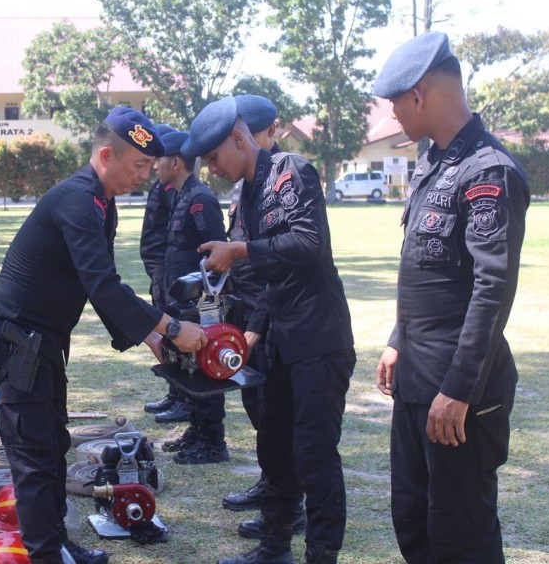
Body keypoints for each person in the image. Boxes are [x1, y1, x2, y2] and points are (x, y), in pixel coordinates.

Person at [0, 107, 208, 564]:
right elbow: (102, 283)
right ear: (105, 154)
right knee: (36, 459)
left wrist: (149, 337)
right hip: (15, 343)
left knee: (53, 446)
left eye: (149, 166)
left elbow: (100, 282)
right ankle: (46, 555)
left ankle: (56, 545)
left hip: (40, 345)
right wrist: (172, 327)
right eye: (139, 165)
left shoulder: (101, 200)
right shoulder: (78, 200)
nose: (147, 175)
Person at [373, 32, 529, 563]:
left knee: (461, 532)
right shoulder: (434, 161)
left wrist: (460, 388)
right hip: (417, 379)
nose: (393, 114)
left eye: (395, 101)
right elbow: (423, 267)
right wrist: (399, 339)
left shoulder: (488, 171)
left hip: (460, 389)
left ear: (418, 94)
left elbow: (493, 287)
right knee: (413, 517)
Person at [185, 96, 356, 564]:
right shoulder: (248, 190)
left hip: (318, 340)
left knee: (315, 455)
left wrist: (238, 250)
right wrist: (253, 333)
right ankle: (274, 547)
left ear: (239, 139)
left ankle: (321, 554)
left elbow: (308, 243)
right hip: (278, 338)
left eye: (215, 157)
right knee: (275, 447)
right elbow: (273, 280)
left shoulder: (291, 171)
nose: (212, 169)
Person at [222, 95, 307, 539]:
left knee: (279, 417)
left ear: (265, 133)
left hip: (275, 313)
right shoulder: (244, 188)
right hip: (249, 309)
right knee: (258, 409)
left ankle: (291, 501)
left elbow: (294, 251)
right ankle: (272, 485)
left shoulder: (285, 178)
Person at [151, 129, 230, 464]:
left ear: (176, 161)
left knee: (205, 368)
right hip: (182, 303)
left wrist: (209, 306)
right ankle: (197, 429)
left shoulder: (201, 199)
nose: (155, 167)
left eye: (158, 160)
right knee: (188, 368)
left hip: (201, 305)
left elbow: (217, 255)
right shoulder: (181, 195)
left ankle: (213, 441)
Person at [139, 124, 188, 422]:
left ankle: (183, 397)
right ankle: (174, 391)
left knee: (174, 330)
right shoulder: (162, 183)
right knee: (165, 331)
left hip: (166, 268)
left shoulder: (174, 187)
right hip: (158, 267)